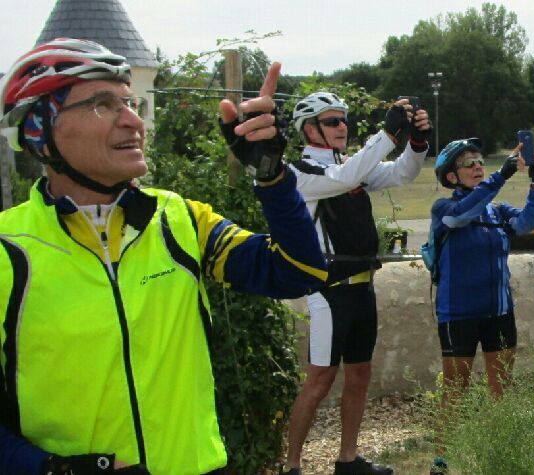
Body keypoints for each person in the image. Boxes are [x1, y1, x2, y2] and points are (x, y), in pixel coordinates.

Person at [0, 38, 327, 474]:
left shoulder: (179, 219)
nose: (133, 121)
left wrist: (272, 175)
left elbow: (296, 272)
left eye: (129, 101)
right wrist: (52, 470)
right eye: (103, 104)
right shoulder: (8, 249)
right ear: (40, 130)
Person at [280, 93, 431, 475]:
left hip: (362, 284)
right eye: (332, 122)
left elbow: (401, 173)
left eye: (343, 120)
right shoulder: (300, 173)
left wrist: (416, 142)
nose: (342, 127)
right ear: (310, 129)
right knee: (320, 380)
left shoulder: (350, 166)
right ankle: (292, 465)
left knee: (359, 373)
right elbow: (343, 179)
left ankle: (348, 460)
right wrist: (386, 134)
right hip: (328, 291)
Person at [428, 138, 534, 475]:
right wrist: (502, 174)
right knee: (455, 390)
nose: (478, 166)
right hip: (458, 314)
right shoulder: (443, 208)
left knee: (502, 389)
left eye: (480, 161)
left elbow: (528, 223)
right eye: (469, 163)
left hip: (499, 311)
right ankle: (441, 462)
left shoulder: (497, 210)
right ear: (452, 177)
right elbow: (462, 216)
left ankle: (503, 456)